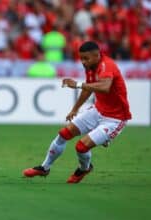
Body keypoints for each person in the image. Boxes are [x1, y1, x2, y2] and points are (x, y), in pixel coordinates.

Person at [23, 41, 132, 184]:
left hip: (115, 118)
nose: (83, 62)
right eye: (81, 58)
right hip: (97, 110)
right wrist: (75, 109)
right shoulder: (90, 66)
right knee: (64, 134)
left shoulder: (107, 65)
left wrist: (78, 84)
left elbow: (105, 87)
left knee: (81, 147)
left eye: (86, 58)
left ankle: (84, 168)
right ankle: (44, 167)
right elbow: (89, 88)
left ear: (97, 55)